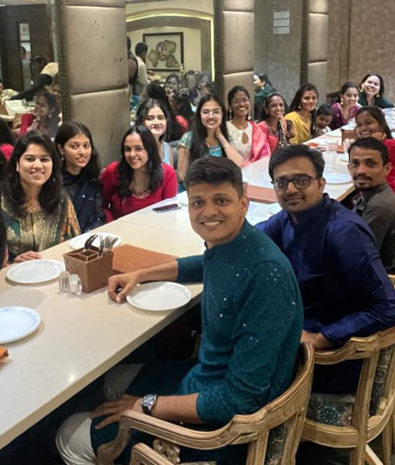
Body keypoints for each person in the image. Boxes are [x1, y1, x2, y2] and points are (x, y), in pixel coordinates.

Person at [56, 157, 303, 465]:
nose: (208, 212)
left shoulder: (266, 276)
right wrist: (140, 275)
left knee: (70, 434)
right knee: (114, 380)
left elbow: (239, 401)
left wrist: (146, 405)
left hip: (223, 431)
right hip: (207, 376)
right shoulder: (235, 243)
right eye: (198, 202)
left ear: (243, 204)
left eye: (221, 200)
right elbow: (203, 264)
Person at [256, 145, 395, 393]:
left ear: (321, 183)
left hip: (334, 358)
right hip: (302, 324)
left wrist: (320, 339)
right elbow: (251, 240)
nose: (290, 189)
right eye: (281, 182)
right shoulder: (289, 218)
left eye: (301, 180)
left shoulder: (343, 232)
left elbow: (389, 307)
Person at [0, 131, 80, 262]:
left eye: (44, 159)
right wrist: (11, 263)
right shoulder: (0, 201)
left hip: (54, 269)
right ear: (17, 164)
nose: (38, 165)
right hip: (12, 272)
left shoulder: (60, 199)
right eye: (30, 159)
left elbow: (74, 245)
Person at [348, 138, 395, 274]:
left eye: (370, 164)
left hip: (393, 279)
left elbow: (357, 256)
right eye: (355, 164)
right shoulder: (367, 198)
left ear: (387, 169)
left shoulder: (381, 206)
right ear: (348, 168)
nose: (360, 170)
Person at [101, 125, 178, 220]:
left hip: (155, 227)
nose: (132, 154)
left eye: (138, 149)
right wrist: (112, 225)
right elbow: (100, 206)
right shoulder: (112, 171)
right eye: (127, 149)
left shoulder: (167, 173)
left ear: (150, 150)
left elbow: (169, 213)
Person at [177, 95, 244, 184]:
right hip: (195, 188)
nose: (211, 116)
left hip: (219, 186)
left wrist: (221, 136)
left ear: (222, 114)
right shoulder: (188, 138)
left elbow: (239, 164)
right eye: (206, 112)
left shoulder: (224, 137)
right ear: (199, 115)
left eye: (216, 112)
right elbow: (182, 176)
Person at [55, 121, 106, 232]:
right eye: (74, 146)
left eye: (86, 146)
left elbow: (99, 218)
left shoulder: (93, 179)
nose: (82, 152)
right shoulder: (54, 182)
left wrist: (88, 235)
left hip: (90, 238)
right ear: (61, 149)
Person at [225, 85, 270, 164]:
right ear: (230, 105)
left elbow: (265, 155)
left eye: (245, 100)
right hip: (231, 170)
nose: (241, 104)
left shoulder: (256, 129)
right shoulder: (225, 128)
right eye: (236, 101)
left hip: (255, 170)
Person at [136, 99, 176, 167]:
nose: (156, 122)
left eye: (160, 118)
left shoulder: (167, 148)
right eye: (150, 118)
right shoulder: (135, 148)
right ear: (141, 122)